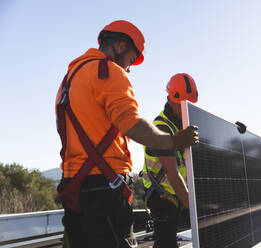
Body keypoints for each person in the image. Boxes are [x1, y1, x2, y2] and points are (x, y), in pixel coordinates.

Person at [55, 20, 198, 248]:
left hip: (73, 188)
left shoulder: (70, 78)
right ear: (120, 46)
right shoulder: (109, 71)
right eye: (131, 60)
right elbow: (131, 123)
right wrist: (173, 140)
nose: (129, 68)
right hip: (104, 189)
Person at [142, 73, 198, 248]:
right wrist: (192, 209)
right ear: (170, 99)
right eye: (181, 104)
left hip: (179, 192)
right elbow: (173, 173)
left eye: (188, 105)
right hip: (162, 196)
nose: (185, 109)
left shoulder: (183, 125)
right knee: (167, 244)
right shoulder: (161, 128)